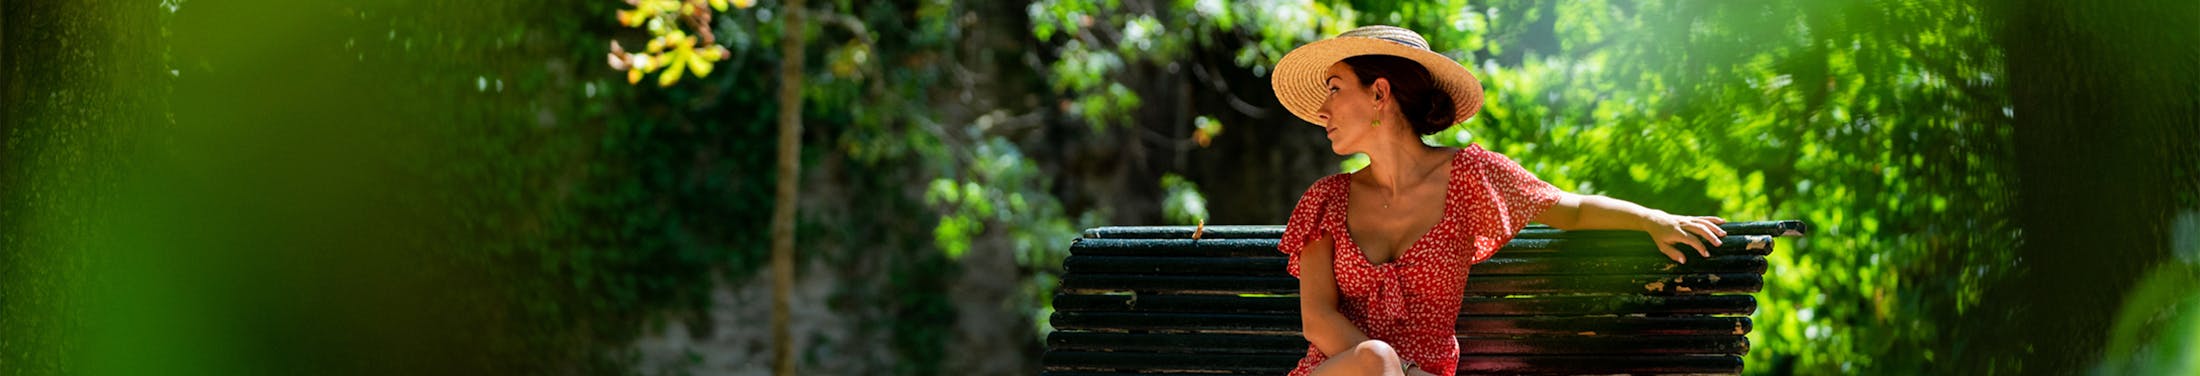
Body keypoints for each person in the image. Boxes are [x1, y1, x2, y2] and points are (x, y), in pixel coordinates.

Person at [1268, 25, 1731, 376]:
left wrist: (1651, 218)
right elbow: (1318, 321)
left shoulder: (1470, 176)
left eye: (1334, 88)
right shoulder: (1326, 200)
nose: (1323, 110)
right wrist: (1399, 370)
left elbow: (1569, 209)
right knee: (1374, 357)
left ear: (1380, 93)